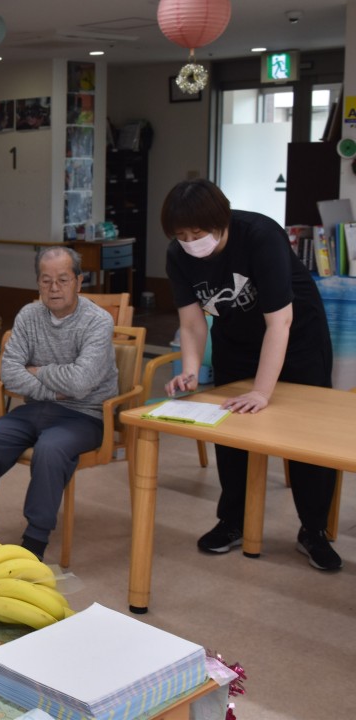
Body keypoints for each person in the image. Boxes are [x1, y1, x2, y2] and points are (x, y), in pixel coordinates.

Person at [162, 179, 340, 571]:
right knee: (231, 431)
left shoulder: (259, 235)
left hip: (296, 339)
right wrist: (190, 371)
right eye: (181, 235)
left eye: (198, 233)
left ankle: (313, 529)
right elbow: (192, 323)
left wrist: (261, 391)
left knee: (306, 434)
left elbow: (280, 322)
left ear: (221, 220)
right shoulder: (178, 255)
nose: (190, 242)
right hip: (237, 342)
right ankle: (233, 521)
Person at [0, 246, 117, 560]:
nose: (54, 288)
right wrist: (55, 391)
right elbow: (9, 373)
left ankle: (34, 542)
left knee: (50, 449)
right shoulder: (29, 315)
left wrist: (38, 371)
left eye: (63, 279)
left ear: (79, 281)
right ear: (38, 283)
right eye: (46, 280)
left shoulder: (98, 321)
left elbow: (81, 383)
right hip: (34, 410)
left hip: (85, 415)